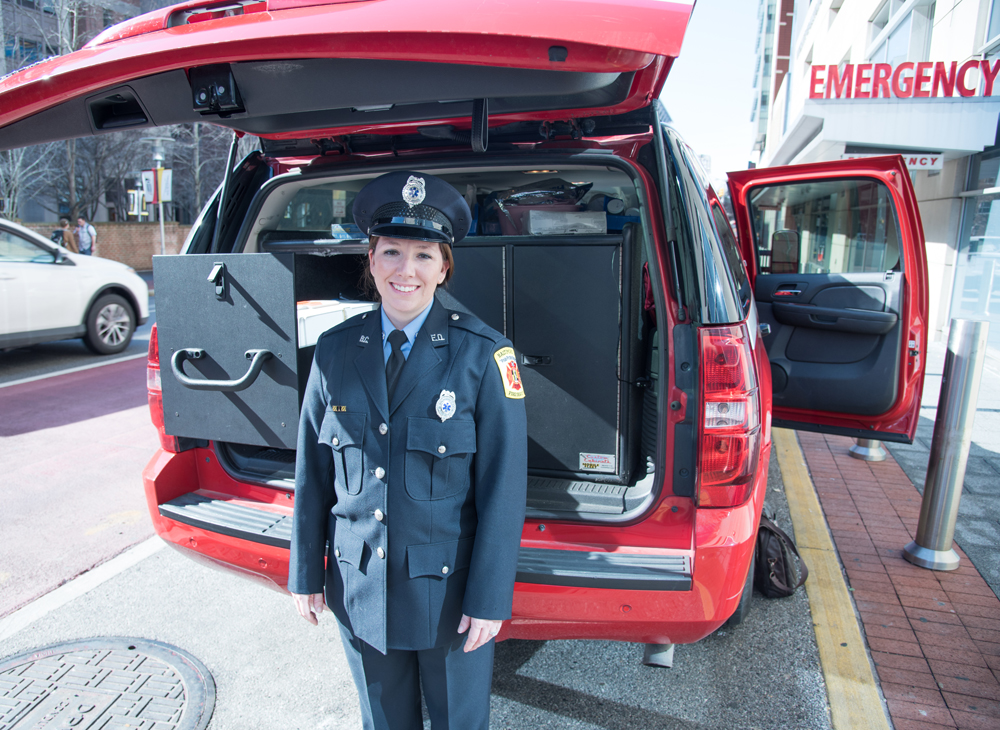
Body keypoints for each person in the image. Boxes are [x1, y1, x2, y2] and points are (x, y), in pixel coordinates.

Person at [289, 170, 528, 730]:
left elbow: (503, 486)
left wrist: (490, 597)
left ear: (444, 267)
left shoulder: (485, 356)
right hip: (359, 583)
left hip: (446, 592)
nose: (406, 270)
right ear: (370, 260)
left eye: (423, 255)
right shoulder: (333, 352)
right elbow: (312, 476)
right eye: (392, 251)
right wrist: (305, 572)